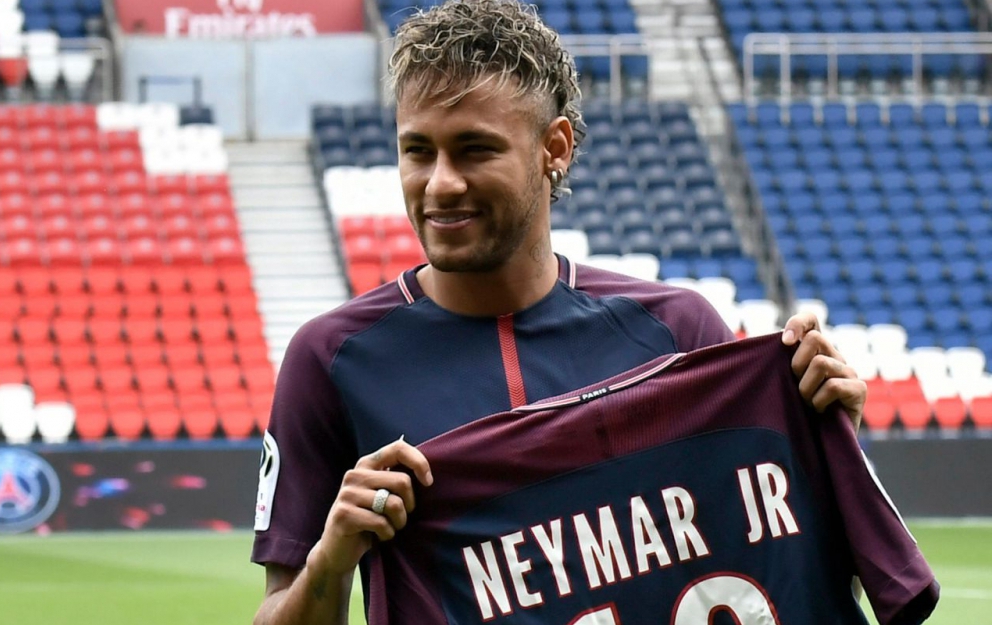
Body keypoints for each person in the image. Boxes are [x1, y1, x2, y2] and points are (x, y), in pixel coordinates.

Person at [250, 1, 867, 623]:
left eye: (474, 149)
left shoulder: (678, 333)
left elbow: (786, 591)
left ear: (556, 147)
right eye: (417, 151)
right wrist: (332, 559)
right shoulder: (332, 360)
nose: (440, 183)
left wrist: (830, 448)